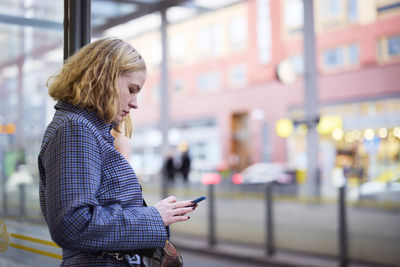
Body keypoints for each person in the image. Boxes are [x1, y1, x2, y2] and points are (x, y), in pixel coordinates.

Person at [38, 37, 196, 266]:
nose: (135, 103)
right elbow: (72, 224)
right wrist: (155, 216)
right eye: (131, 90)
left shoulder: (85, 129)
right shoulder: (76, 129)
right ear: (104, 78)